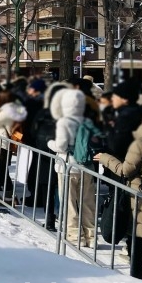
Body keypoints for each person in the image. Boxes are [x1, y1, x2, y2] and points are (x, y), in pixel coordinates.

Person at [95, 104, 142, 280]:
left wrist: (106, 158)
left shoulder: (141, 144)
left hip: (141, 201)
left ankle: (139, 282)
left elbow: (125, 171)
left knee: (138, 244)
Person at [48, 88, 96, 247]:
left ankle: (75, 235)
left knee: (69, 203)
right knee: (87, 202)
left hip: (68, 166)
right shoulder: (87, 120)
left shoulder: (64, 122)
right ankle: (91, 236)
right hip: (87, 166)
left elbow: (61, 146)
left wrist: (50, 144)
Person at [28, 81, 72, 232]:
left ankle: (49, 219)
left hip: (44, 155)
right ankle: (66, 219)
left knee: (47, 187)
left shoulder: (42, 113)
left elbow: (33, 132)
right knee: (64, 188)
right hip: (63, 155)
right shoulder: (68, 115)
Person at [0, 90, 27, 202]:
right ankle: (1, 195)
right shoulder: (8, 110)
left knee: (2, 171)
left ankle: (10, 197)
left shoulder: (7, 111)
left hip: (1, 143)